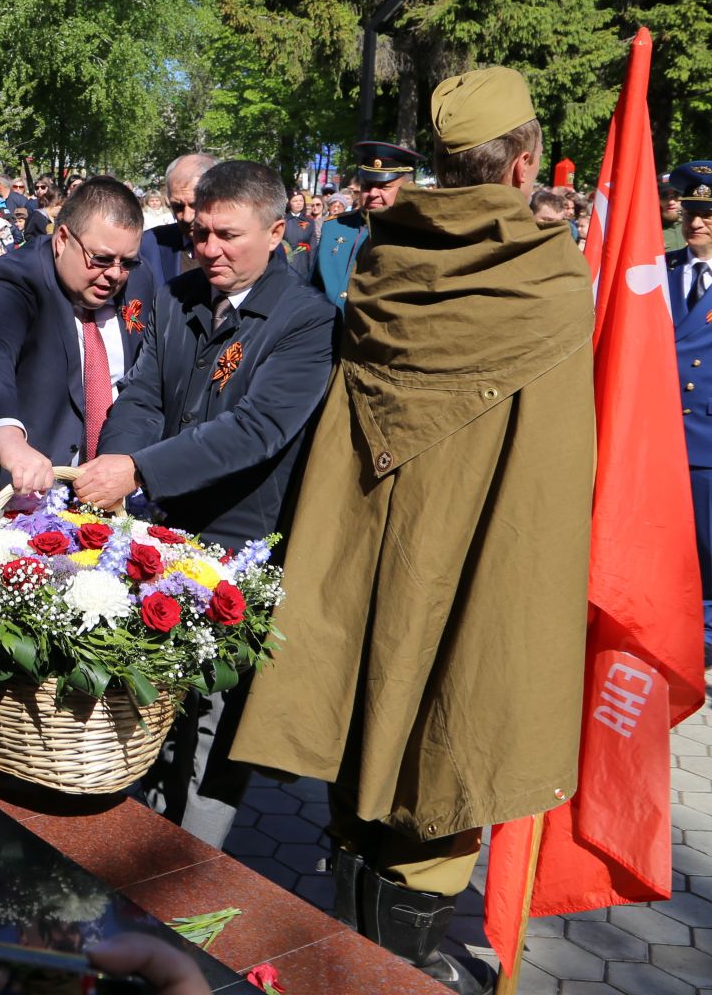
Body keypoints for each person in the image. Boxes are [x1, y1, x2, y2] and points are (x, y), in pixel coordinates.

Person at [233, 67, 591, 993]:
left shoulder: (385, 259)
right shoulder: (550, 278)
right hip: (482, 545)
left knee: (367, 718)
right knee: (452, 714)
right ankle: (397, 967)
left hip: (377, 542)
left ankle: (355, 952)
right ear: (523, 163)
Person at [76, 160, 339, 850]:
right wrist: (119, 469)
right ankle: (134, 852)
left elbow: (257, 430)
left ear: (278, 231)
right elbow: (144, 395)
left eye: (229, 235)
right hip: (160, 531)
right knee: (148, 707)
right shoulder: (179, 296)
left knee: (216, 729)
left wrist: (138, 467)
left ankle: (191, 878)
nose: (209, 249)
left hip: (238, 542)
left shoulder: (308, 321)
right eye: (200, 233)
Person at [0, 177, 152, 501]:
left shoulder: (139, 279)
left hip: (99, 496)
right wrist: (10, 440)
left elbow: (143, 381)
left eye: (127, 261)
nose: (115, 274)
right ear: (63, 239)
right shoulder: (13, 278)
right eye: (102, 259)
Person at [666, 161, 712, 600]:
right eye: (689, 213)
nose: (695, 223)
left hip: (706, 436)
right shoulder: (656, 270)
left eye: (709, 214)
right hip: (657, 434)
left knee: (709, 545)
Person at [311, 142, 423, 309]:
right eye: (367, 186)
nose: (373, 194)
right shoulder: (333, 227)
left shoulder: (419, 234)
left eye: (384, 187)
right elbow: (313, 288)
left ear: (409, 188)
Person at [139, 153, 217, 285]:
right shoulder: (148, 245)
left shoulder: (248, 244)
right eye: (178, 206)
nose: (187, 217)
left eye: (195, 204)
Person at [281, 190, 316, 279]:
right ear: (289, 203)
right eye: (295, 201)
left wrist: (311, 265)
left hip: (303, 263)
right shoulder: (283, 221)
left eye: (301, 201)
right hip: (286, 261)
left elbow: (312, 246)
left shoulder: (309, 222)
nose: (298, 203)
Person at [661, 179, 687, 251]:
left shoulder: (696, 226)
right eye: (664, 196)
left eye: (676, 195)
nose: (671, 202)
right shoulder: (648, 231)